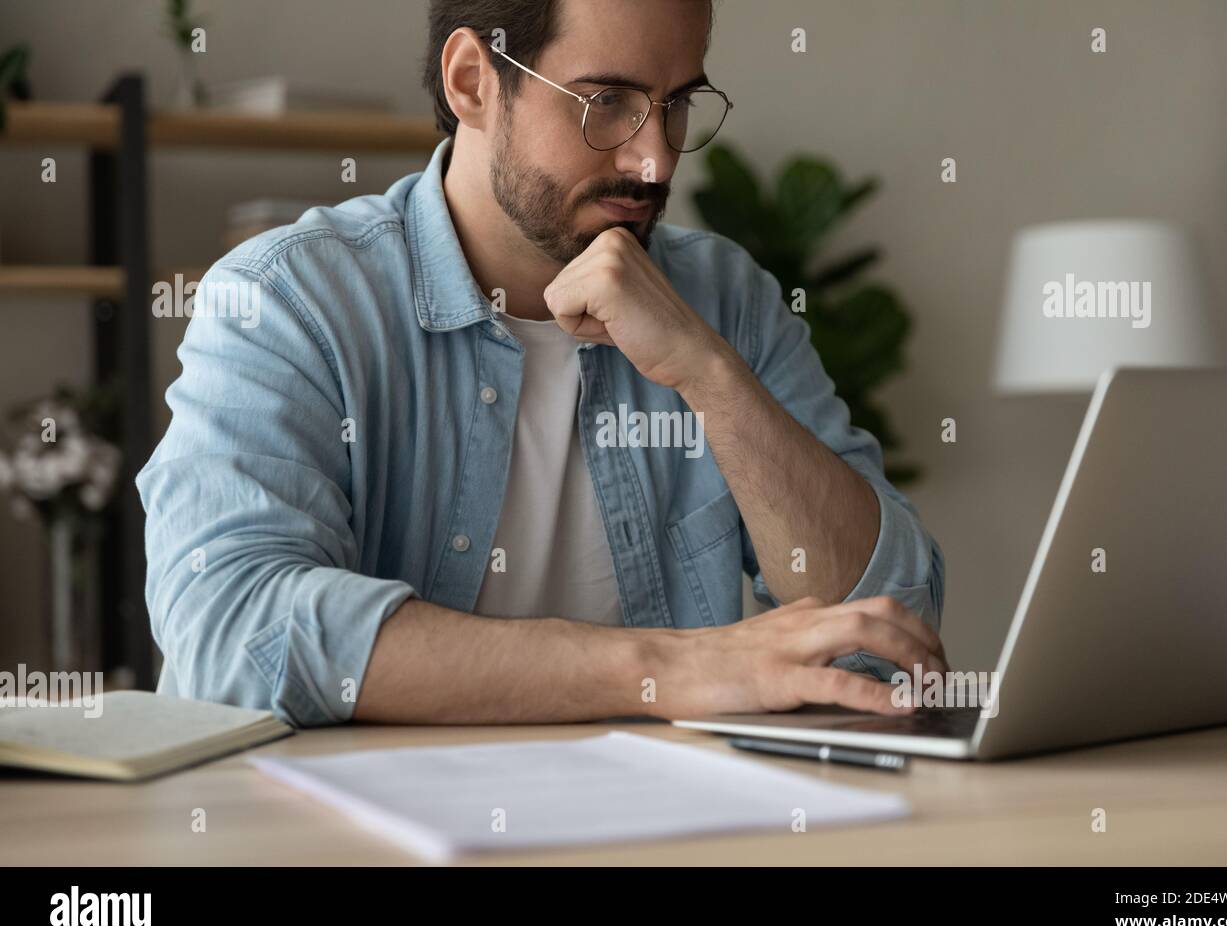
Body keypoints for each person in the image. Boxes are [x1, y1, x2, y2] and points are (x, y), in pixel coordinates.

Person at [136, 0, 947, 728]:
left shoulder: (723, 299)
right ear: (472, 81)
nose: (656, 162)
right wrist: (664, 669)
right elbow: (235, 628)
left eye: (677, 106)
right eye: (608, 104)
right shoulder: (288, 299)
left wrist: (709, 374)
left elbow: (887, 628)